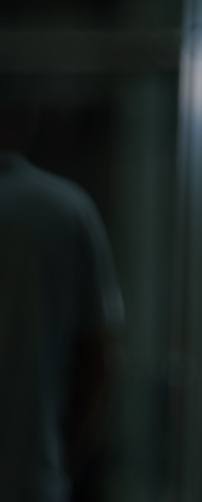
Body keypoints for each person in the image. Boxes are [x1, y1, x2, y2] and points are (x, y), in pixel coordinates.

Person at [0, 143, 121, 502]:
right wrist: (60, 460)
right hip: (31, 481)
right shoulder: (64, 207)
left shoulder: (63, 207)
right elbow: (100, 357)